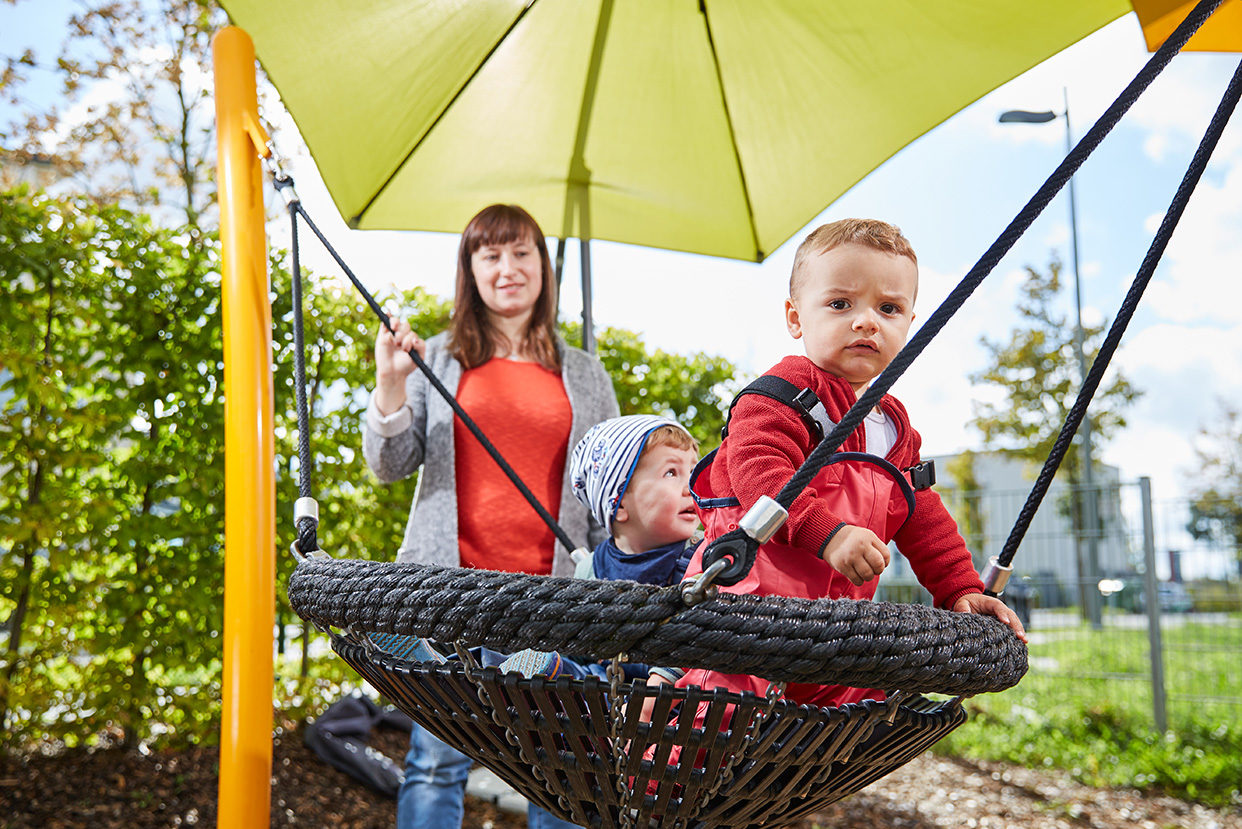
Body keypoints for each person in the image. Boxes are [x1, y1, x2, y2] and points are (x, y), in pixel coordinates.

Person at [678, 218, 1028, 710]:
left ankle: (800, 784)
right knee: (717, 711)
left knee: (852, 714)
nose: (866, 321)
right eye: (840, 304)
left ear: (909, 322)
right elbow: (760, 474)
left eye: (889, 308)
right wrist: (829, 532)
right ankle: (661, 782)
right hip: (749, 614)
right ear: (796, 318)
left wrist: (959, 588)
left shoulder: (893, 426)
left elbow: (922, 514)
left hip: (839, 630)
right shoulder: (781, 396)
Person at [363, 203, 619, 829]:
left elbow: (609, 491)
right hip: (450, 596)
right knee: (435, 760)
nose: (508, 268)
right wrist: (391, 383)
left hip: (554, 603)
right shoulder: (438, 357)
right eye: (490, 255)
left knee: (559, 764)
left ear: (543, 265)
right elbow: (389, 463)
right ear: (470, 270)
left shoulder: (584, 373)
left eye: (521, 252)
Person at [500, 413, 701, 687]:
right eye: (671, 472)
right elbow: (578, 642)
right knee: (561, 670)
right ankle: (468, 672)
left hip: (676, 697)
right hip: (604, 688)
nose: (692, 486)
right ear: (619, 504)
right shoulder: (591, 569)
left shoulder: (703, 559)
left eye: (694, 471)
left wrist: (659, 687)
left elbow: (704, 635)